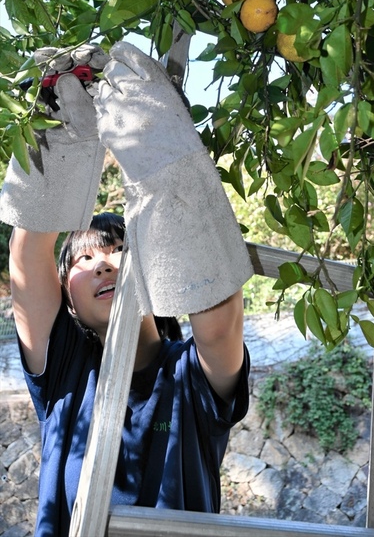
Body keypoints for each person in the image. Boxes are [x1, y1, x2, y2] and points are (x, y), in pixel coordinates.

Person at [0, 42, 254, 536]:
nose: (101, 267)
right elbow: (27, 261)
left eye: (116, 250)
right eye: (83, 260)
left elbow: (219, 320)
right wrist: (58, 142)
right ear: (66, 296)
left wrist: (164, 157)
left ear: (154, 268)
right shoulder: (64, 373)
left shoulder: (188, 377)